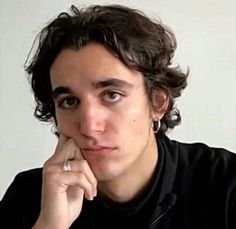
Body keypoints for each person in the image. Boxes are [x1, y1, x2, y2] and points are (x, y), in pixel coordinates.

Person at [0, 4, 235, 229]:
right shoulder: (30, 198)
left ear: (157, 102)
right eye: (69, 102)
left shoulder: (226, 186)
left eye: (111, 95)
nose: (89, 126)